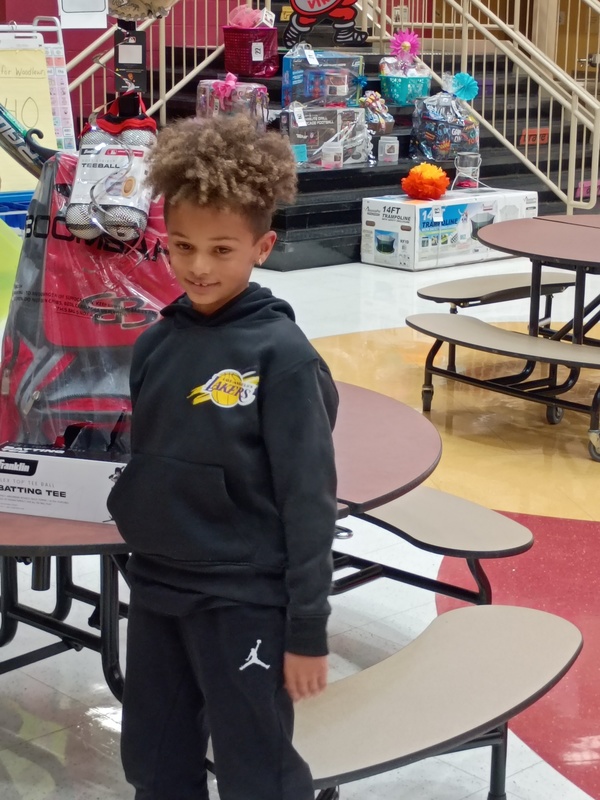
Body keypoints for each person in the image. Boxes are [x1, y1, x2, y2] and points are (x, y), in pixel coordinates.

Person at [107, 114, 339, 800]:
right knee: (153, 762)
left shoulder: (283, 358)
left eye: (221, 249)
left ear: (262, 247)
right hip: (158, 589)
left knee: (256, 769)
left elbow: (309, 503)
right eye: (182, 246)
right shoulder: (155, 345)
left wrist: (306, 628)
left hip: (244, 601)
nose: (199, 267)